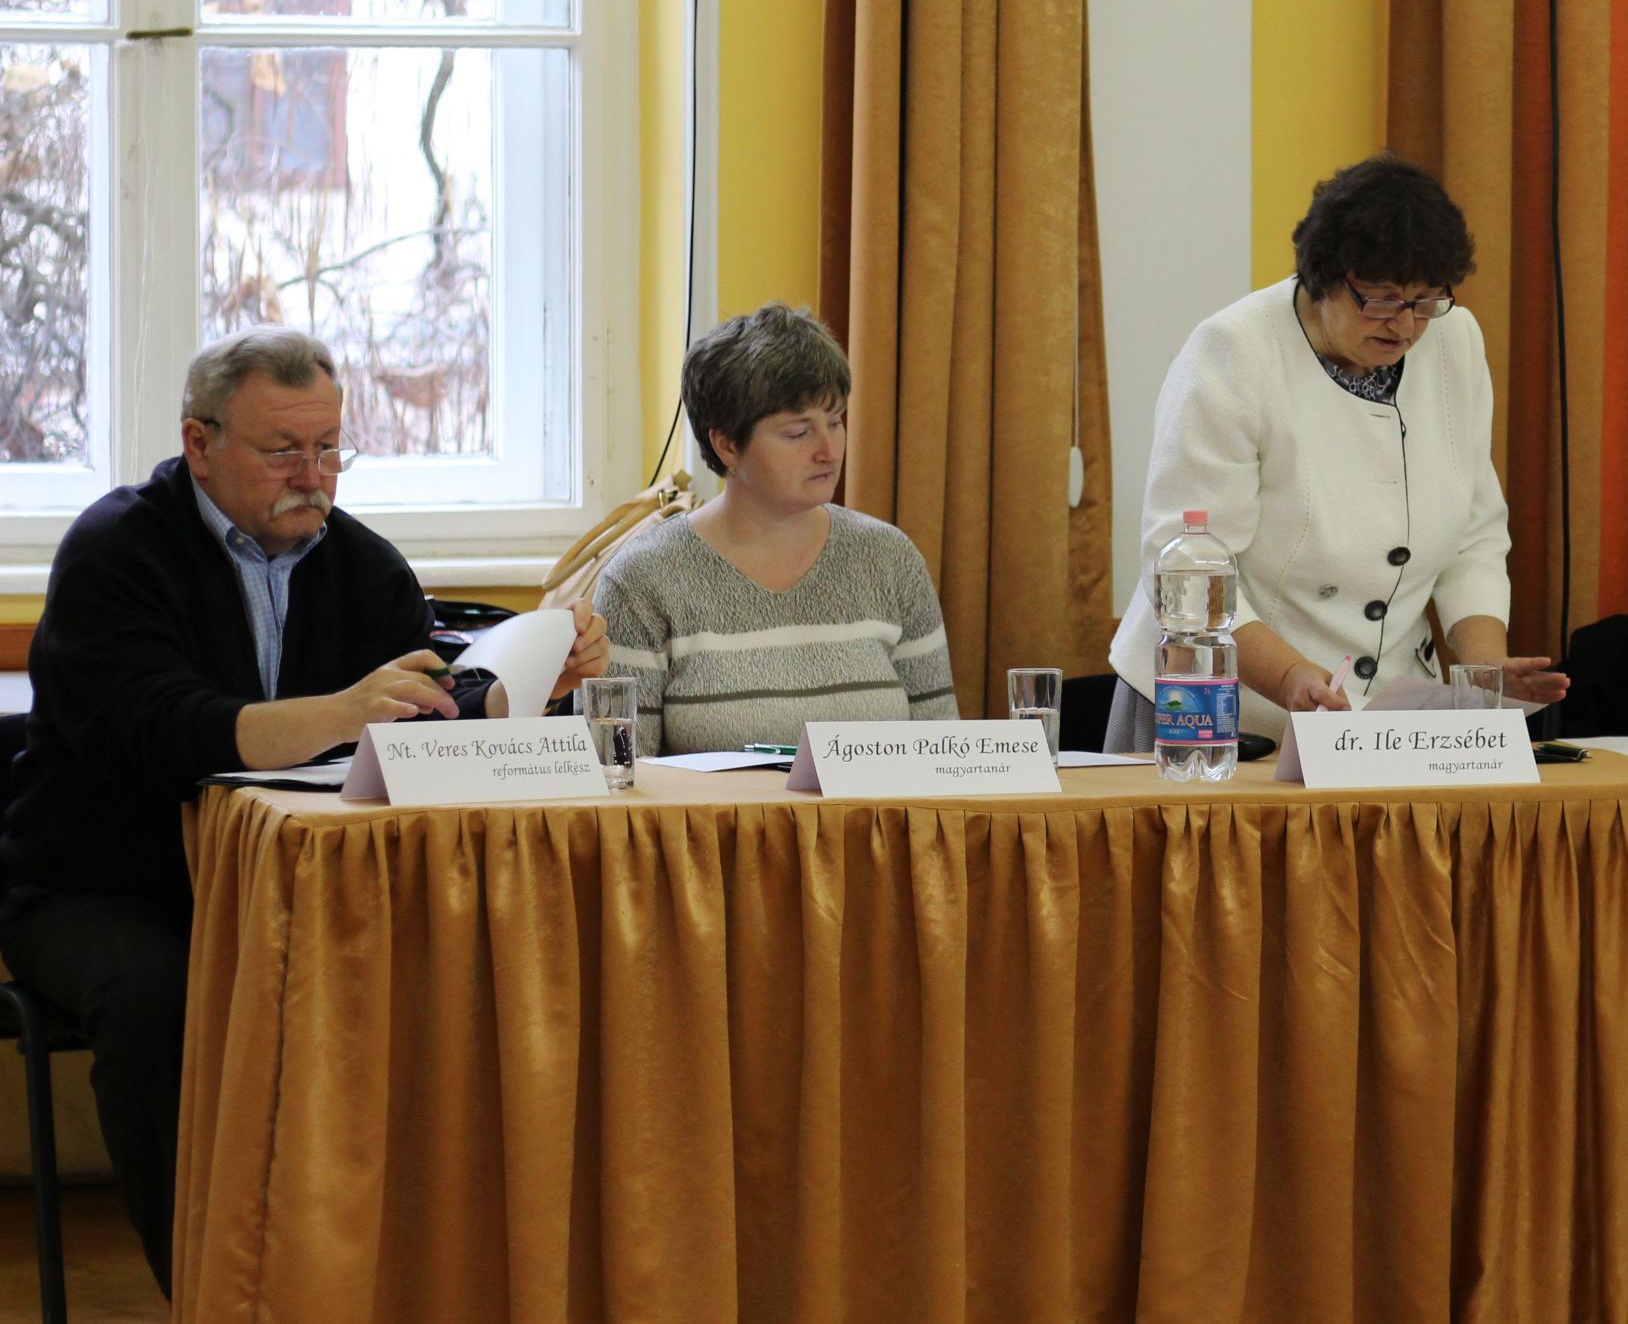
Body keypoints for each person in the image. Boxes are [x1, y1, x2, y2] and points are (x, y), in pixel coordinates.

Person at [0, 328, 609, 1293]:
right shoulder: (116, 550)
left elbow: (429, 721)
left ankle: (404, 1280)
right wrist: (340, 712)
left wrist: (530, 683)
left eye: (329, 448)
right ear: (199, 444)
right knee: (165, 1002)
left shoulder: (364, 565)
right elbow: (159, 730)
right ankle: (212, 1291)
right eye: (283, 450)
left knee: (462, 972)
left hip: (305, 889)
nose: (314, 475)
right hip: (108, 889)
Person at [1106, 153, 1567, 749]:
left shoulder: (1455, 342)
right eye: (1381, 299)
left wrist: (1484, 670)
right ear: (1323, 277)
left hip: (1385, 715)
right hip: (1216, 708)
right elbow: (1186, 569)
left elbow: (1473, 534)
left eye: (1425, 300)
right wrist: (1290, 677)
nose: (1405, 326)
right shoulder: (1233, 352)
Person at [597, 304, 957, 752]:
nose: (829, 451)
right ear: (727, 445)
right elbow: (616, 775)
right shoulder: (641, 579)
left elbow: (943, 753)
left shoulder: (890, 558)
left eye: (835, 422)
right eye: (797, 433)